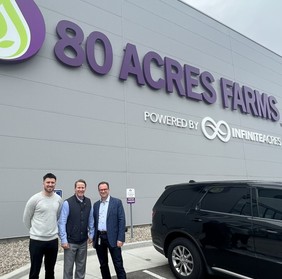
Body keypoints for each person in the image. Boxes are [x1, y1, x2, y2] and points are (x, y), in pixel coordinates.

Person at [23, 173, 63, 279]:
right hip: (36, 241)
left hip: (52, 241)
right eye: (48, 182)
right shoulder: (35, 199)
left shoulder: (58, 199)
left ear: (55, 183)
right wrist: (35, 231)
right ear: (43, 183)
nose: (50, 184)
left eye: (52, 182)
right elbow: (26, 218)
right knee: (34, 271)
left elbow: (57, 216)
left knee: (50, 271)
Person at [58, 179, 94, 279]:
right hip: (70, 243)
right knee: (68, 269)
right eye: (78, 187)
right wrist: (63, 240)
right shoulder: (67, 203)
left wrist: (91, 233)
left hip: (83, 242)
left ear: (85, 188)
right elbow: (61, 223)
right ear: (75, 189)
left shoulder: (88, 202)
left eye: (82, 187)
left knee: (81, 268)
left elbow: (91, 219)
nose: (80, 189)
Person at [93, 181, 127, 279]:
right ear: (98, 191)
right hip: (100, 237)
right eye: (101, 190)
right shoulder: (96, 205)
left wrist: (121, 238)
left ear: (108, 190)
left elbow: (122, 220)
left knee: (118, 264)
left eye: (105, 189)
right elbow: (94, 222)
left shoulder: (117, 202)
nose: (103, 191)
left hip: (113, 237)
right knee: (103, 264)